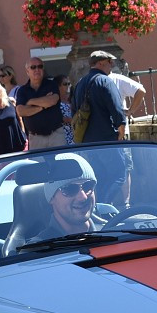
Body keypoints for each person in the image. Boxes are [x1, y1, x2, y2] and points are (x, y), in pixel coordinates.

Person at [73, 51, 128, 204]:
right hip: (107, 139)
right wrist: (121, 130)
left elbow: (74, 111)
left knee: (99, 177)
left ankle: (97, 207)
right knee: (118, 175)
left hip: (87, 142)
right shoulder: (105, 81)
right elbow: (117, 109)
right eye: (110, 62)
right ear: (101, 62)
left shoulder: (80, 83)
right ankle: (103, 205)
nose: (112, 66)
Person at [32, 154, 105, 241]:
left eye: (88, 186)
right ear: (51, 197)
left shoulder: (114, 233)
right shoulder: (38, 251)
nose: (83, 197)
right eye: (70, 189)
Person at [16, 58, 65, 149]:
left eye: (40, 66)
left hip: (56, 134)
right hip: (36, 138)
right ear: (27, 71)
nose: (37, 69)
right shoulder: (22, 90)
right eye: (33, 67)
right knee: (39, 163)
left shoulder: (52, 84)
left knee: (61, 162)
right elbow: (21, 111)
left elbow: (53, 100)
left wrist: (31, 102)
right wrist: (43, 106)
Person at [58, 76, 74, 145]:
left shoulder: (73, 101)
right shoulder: (56, 103)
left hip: (76, 139)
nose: (68, 86)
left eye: (69, 84)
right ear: (58, 87)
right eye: (65, 84)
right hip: (63, 139)